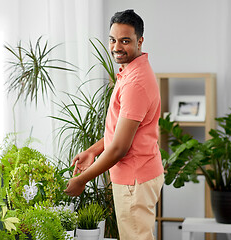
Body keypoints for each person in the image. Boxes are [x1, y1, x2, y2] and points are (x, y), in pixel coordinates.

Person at [64, 9, 164, 240]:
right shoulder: (130, 72)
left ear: (140, 41)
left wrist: (81, 180)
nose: (116, 47)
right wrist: (91, 151)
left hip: (134, 179)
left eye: (125, 41)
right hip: (139, 174)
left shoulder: (135, 84)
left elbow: (120, 147)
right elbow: (122, 132)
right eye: (112, 40)